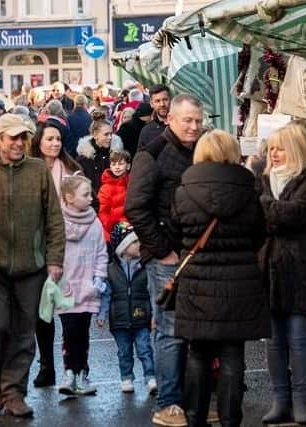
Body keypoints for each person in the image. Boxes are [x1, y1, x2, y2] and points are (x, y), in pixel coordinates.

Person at [171, 130, 270, 426]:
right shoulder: (249, 189)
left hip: (197, 282)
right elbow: (259, 234)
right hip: (239, 282)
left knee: (198, 353)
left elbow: (177, 234)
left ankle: (195, 418)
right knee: (232, 354)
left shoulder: (183, 190)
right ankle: (230, 421)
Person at [0, 113, 65, 418]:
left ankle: (14, 392)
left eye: (23, 137)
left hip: (32, 265)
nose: (18, 143)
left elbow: (54, 216)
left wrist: (54, 259)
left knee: (26, 333)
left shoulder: (38, 170)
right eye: (12, 137)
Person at [125, 94, 204, 427]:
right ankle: (169, 403)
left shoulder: (202, 151)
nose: (193, 126)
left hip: (196, 254)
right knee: (170, 330)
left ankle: (193, 400)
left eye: (198, 121)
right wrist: (161, 250)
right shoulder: (152, 154)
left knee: (196, 329)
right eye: (187, 120)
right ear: (170, 118)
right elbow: (135, 207)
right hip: (167, 256)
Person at [259, 120, 306, 425]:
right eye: (271, 149)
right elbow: (264, 222)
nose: (275, 154)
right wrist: (273, 213)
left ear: (295, 149)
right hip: (270, 270)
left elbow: (296, 215)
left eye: (281, 148)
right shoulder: (265, 178)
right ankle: (279, 399)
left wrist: (267, 206)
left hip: (303, 270)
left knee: (299, 338)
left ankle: (299, 401)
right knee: (274, 340)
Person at [28, 120, 81, 388]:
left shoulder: (72, 170)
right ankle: (46, 365)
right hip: (37, 246)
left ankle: (76, 369)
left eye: (58, 139)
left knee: (72, 312)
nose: (55, 144)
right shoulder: (29, 170)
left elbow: (84, 206)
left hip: (70, 244)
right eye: (49, 139)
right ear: (38, 141)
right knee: (43, 310)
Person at [56, 175, 107, 396]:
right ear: (69, 198)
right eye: (85, 194)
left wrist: (98, 279)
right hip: (65, 289)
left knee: (83, 333)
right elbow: (52, 251)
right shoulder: (57, 222)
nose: (91, 197)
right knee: (69, 331)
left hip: (88, 289)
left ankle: (82, 374)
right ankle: (69, 372)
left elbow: (101, 253)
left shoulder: (95, 223)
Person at [98, 222, 156, 395]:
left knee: (145, 348)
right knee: (124, 352)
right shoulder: (111, 270)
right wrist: (102, 314)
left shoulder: (145, 268)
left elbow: (151, 292)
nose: (139, 245)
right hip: (120, 320)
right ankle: (126, 378)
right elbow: (106, 294)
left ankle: (150, 377)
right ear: (123, 247)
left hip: (141, 317)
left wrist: (154, 315)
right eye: (135, 242)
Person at [76, 113, 123, 211]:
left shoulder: (116, 155)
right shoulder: (84, 159)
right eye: (106, 134)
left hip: (116, 206)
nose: (110, 137)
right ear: (95, 135)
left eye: (111, 134)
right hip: (93, 207)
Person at [98, 150, 131, 241]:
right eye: (113, 164)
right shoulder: (105, 188)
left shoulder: (133, 183)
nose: (117, 167)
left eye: (120, 164)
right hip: (112, 231)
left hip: (133, 228)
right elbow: (103, 212)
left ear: (128, 166)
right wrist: (115, 226)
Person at [138, 85, 171, 151]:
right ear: (151, 104)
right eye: (157, 101)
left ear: (171, 100)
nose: (162, 104)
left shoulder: (181, 125)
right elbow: (141, 157)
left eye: (165, 99)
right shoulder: (147, 131)